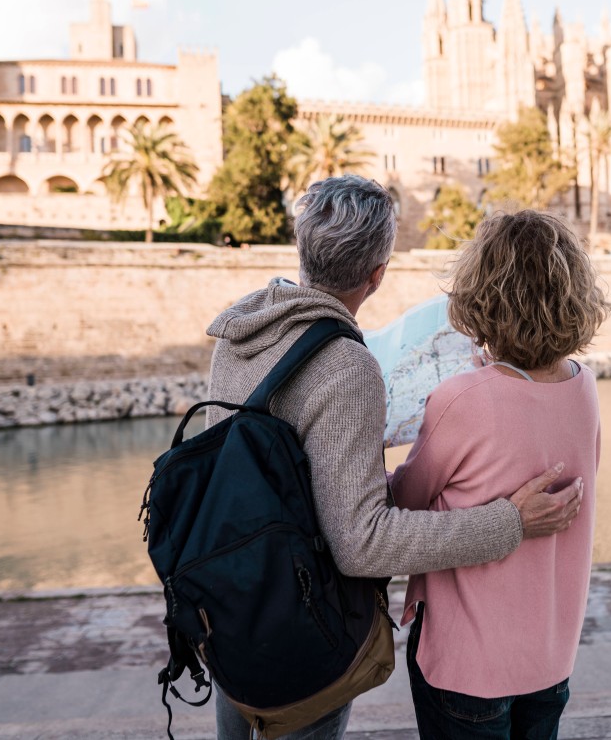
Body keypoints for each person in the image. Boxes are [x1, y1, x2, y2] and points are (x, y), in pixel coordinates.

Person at [204, 177, 585, 740]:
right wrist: (510, 522)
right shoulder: (347, 366)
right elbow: (362, 544)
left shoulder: (239, 331)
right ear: (378, 273)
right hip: (303, 621)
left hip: (229, 597)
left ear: (304, 250)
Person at [390, 211, 610, 740]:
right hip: (551, 656)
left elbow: (403, 501)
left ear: (483, 293)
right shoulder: (584, 387)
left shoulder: (464, 397)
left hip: (470, 665)